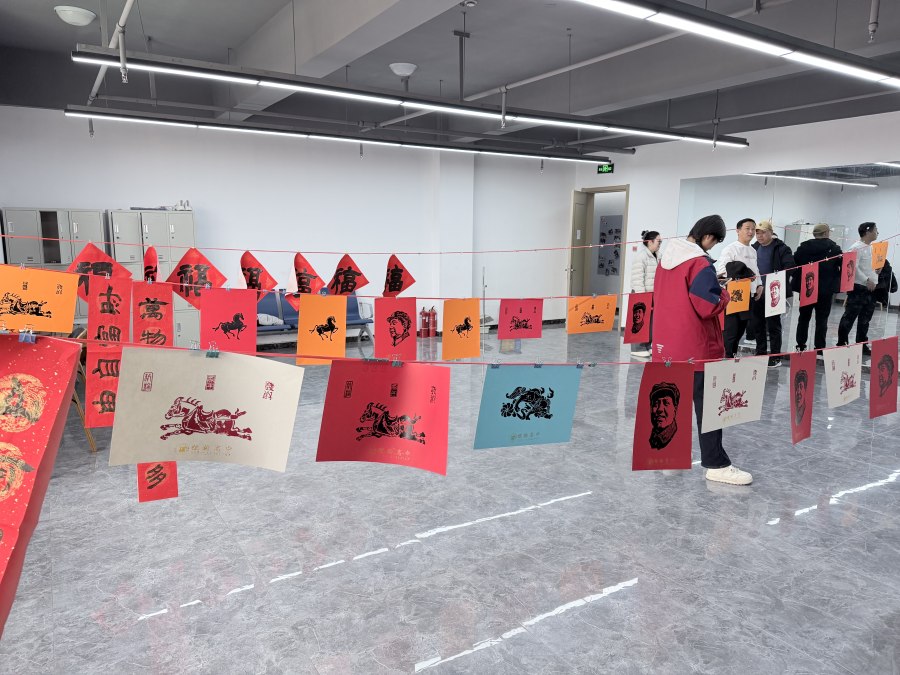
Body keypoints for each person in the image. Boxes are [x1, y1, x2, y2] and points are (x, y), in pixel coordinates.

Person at [653, 214, 752, 485]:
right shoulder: (699, 263)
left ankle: (671, 458)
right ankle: (716, 464)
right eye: (715, 241)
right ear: (708, 236)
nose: (713, 247)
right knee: (709, 408)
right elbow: (707, 305)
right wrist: (724, 293)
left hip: (667, 346)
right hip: (696, 347)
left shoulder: (665, 260)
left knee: (673, 403)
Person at [714, 218, 761, 358]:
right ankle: (726, 357)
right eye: (747, 228)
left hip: (749, 295)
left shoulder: (753, 250)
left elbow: (756, 270)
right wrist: (742, 274)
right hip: (735, 295)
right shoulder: (730, 249)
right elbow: (722, 271)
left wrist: (759, 285)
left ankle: (732, 355)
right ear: (738, 230)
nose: (751, 232)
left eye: (753, 229)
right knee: (731, 330)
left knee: (741, 329)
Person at [751, 220, 795, 367]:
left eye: (763, 232)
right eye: (757, 233)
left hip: (774, 291)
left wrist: (776, 278)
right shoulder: (754, 248)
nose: (759, 236)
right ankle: (760, 352)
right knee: (758, 324)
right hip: (757, 291)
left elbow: (791, 267)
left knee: (773, 325)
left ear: (771, 232)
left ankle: (775, 356)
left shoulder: (781, 248)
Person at [793, 223, 842, 352]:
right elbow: (842, 265)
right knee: (822, 319)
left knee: (804, 318)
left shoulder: (803, 247)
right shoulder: (834, 248)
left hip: (807, 287)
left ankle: (800, 345)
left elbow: (794, 263)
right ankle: (819, 347)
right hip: (826, 289)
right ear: (826, 233)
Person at [837, 222, 880, 355]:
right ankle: (842, 343)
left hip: (871, 289)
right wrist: (866, 280)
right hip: (859, 288)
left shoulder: (871, 248)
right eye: (876, 230)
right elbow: (852, 267)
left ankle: (862, 344)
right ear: (868, 232)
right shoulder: (856, 248)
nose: (877, 233)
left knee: (865, 320)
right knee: (849, 317)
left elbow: (869, 267)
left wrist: (877, 272)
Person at [630, 230, 661, 358]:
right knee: (639, 321)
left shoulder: (658, 256)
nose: (660, 243)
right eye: (658, 241)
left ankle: (647, 345)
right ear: (650, 242)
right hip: (641, 293)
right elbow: (637, 278)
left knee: (650, 322)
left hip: (653, 294)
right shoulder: (641, 257)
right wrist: (641, 296)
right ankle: (637, 348)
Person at [649, 381, 679, 449]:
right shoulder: (652, 439)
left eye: (666, 403)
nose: (660, 409)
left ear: (675, 409)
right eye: (656, 404)